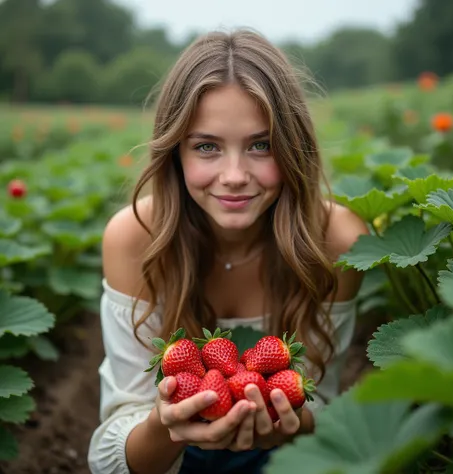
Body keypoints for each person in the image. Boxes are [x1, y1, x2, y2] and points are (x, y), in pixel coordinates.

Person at [87, 28, 369, 474]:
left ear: (294, 148)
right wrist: (166, 425)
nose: (234, 175)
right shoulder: (135, 237)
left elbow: (324, 402)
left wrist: (295, 423)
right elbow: (110, 456)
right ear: (175, 151)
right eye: (207, 147)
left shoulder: (334, 240)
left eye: (261, 145)